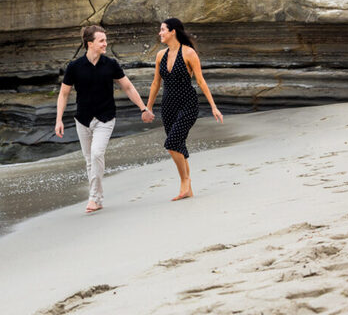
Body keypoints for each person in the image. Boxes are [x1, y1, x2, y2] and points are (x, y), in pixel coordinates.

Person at [55, 25, 155, 213]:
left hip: (105, 118)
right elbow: (63, 94)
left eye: (105, 40)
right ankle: (98, 198)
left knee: (96, 154)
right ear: (90, 43)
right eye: (101, 41)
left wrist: (143, 108)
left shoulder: (111, 64)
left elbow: (128, 87)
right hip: (82, 119)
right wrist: (58, 119)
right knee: (89, 160)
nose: (105, 44)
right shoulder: (74, 67)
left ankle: (93, 198)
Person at [144, 18, 223, 201]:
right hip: (168, 106)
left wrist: (213, 106)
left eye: (163, 30)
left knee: (171, 143)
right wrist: (148, 107)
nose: (160, 33)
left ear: (173, 31)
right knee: (178, 144)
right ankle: (188, 189)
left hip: (188, 104)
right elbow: (156, 83)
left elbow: (201, 81)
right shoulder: (160, 55)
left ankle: (185, 181)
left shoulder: (188, 53)